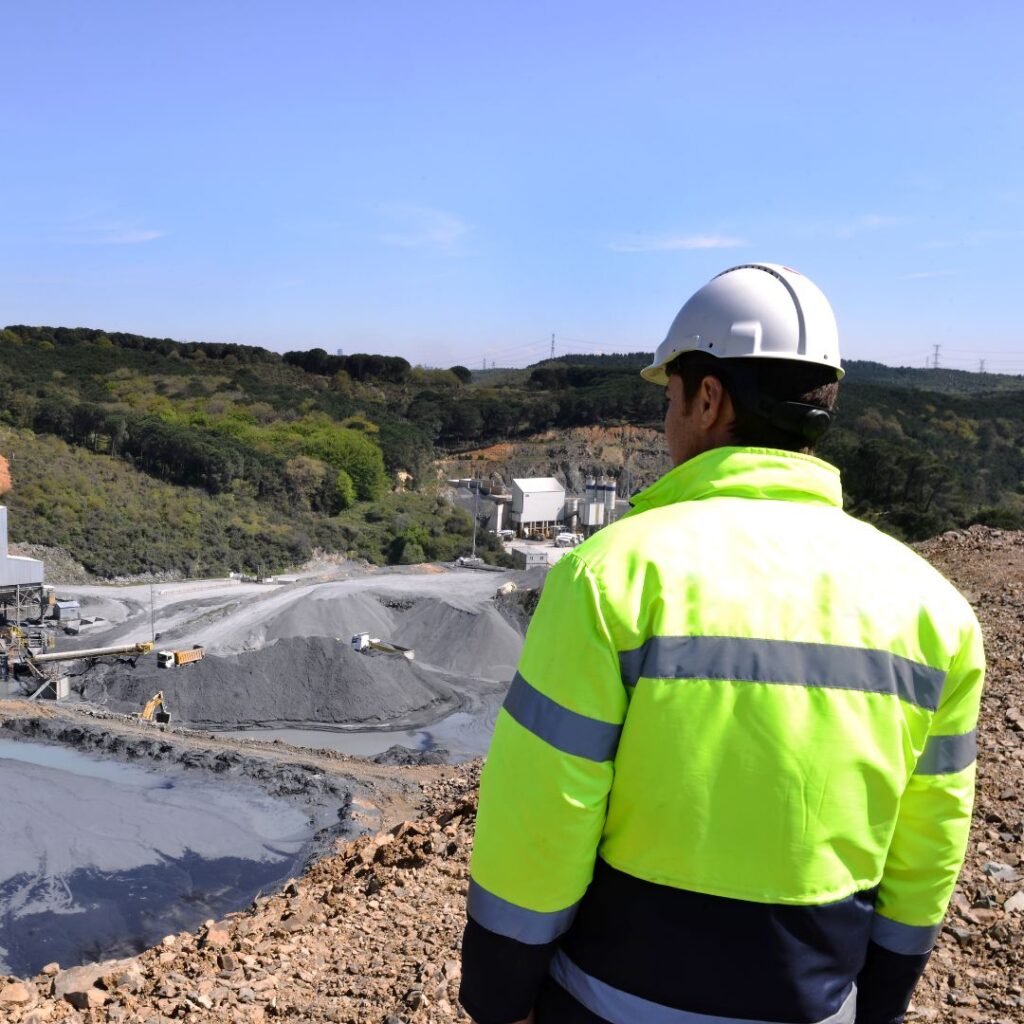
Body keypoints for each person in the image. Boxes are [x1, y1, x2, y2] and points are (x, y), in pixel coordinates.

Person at [459, 263, 985, 1024]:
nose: (666, 418)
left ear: (708, 399)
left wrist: (500, 995)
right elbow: (931, 839)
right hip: (815, 1003)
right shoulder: (936, 612)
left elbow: (544, 814)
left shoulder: (611, 576)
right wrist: (883, 1002)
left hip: (613, 1001)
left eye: (669, 396)